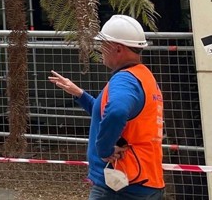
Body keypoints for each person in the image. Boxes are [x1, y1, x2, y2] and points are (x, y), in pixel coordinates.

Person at [48, 14, 164, 199]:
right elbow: (108, 113)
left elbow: (116, 112)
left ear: (118, 49)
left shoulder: (124, 80)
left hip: (122, 182)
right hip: (142, 178)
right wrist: (80, 94)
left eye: (103, 45)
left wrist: (104, 149)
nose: (100, 49)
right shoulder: (143, 77)